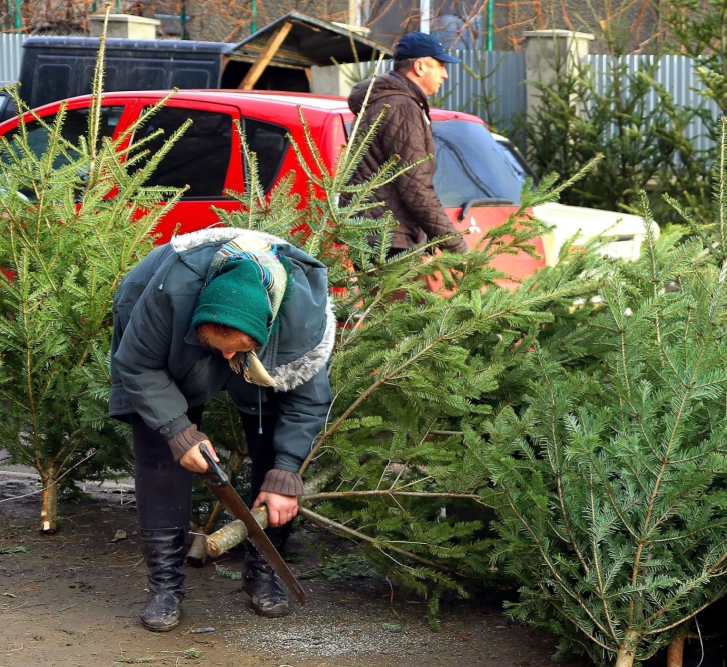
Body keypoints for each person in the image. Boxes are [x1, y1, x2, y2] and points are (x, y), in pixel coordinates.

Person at [109, 228, 334, 632]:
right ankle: (165, 586)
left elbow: (306, 401)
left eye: (237, 349)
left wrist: (285, 472)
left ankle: (263, 574)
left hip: (269, 341)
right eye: (219, 347)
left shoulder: (300, 317)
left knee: (276, 448)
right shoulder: (166, 293)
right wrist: (179, 430)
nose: (229, 357)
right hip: (162, 331)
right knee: (161, 444)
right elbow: (138, 365)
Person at [347, 31, 469, 258]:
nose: (445, 75)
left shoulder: (388, 101)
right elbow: (415, 185)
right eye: (440, 65)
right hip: (387, 238)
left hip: (376, 233)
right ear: (420, 66)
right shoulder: (402, 106)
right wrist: (456, 247)